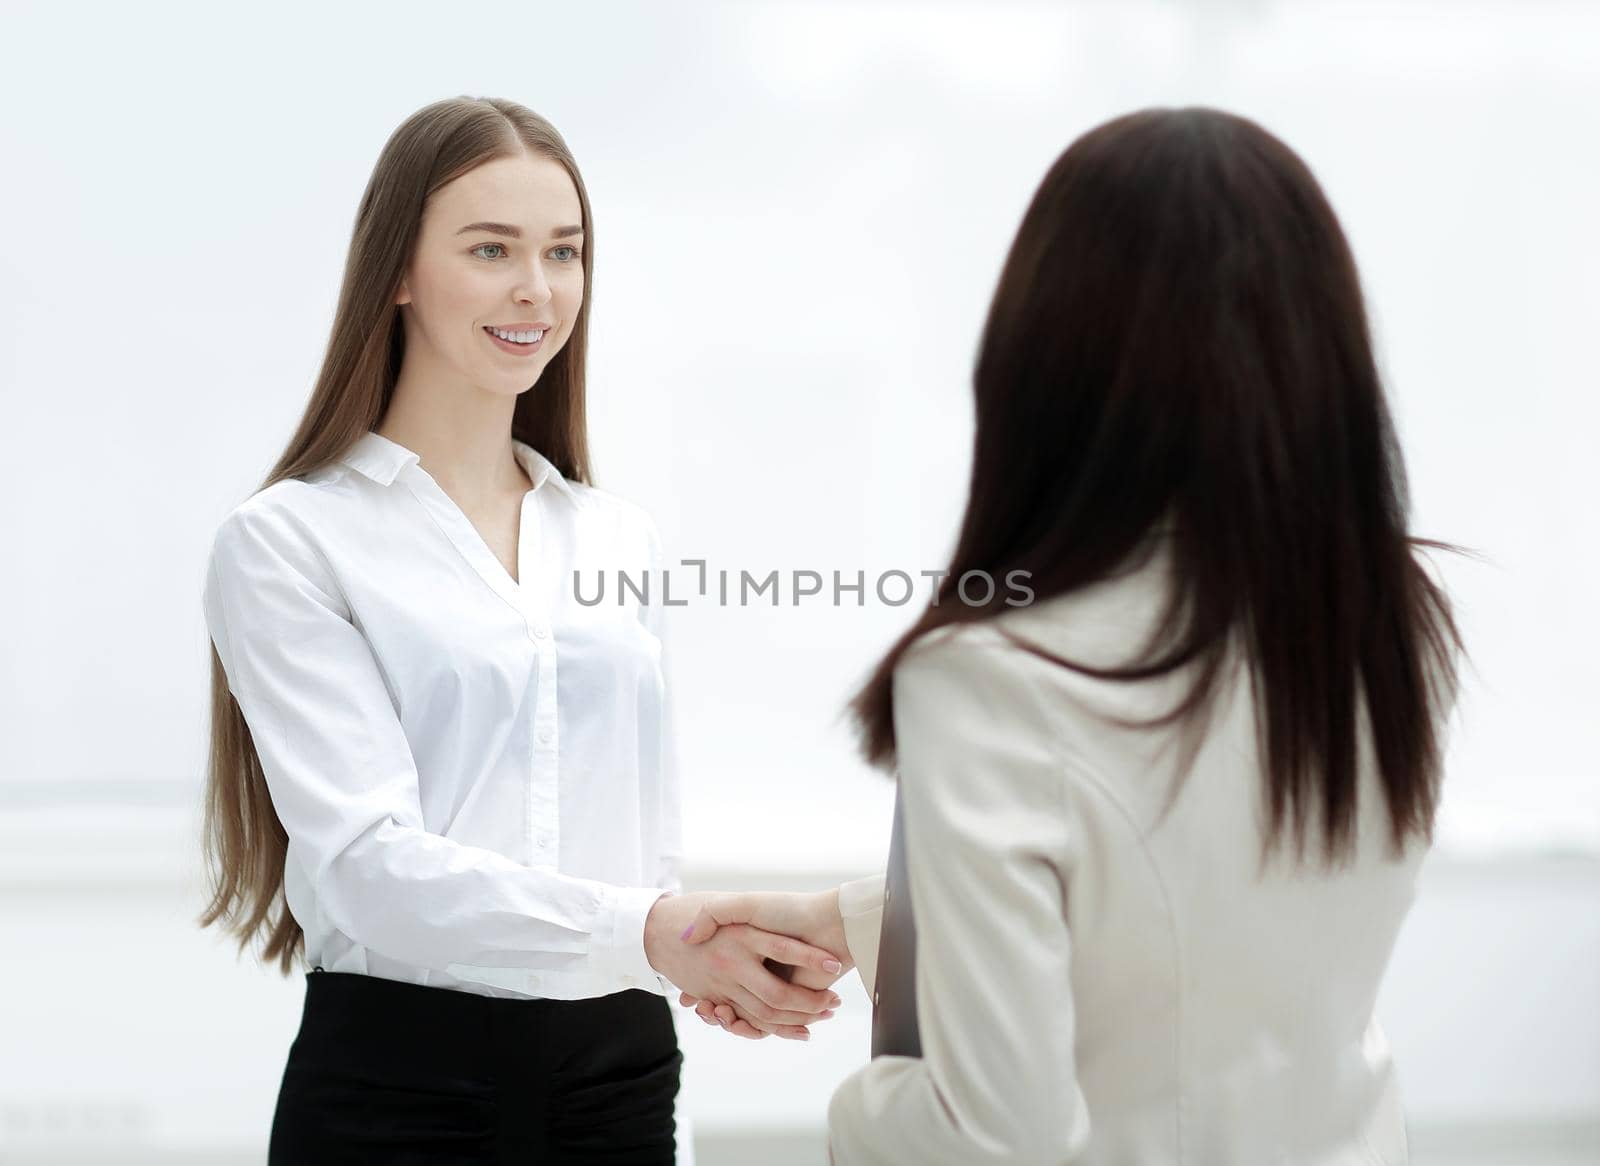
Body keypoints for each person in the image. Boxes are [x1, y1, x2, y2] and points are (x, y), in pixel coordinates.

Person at [676, 106, 1470, 1165]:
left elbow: (997, 1141)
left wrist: (857, 1109)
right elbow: (1216, 941)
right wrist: (884, 922)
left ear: (1040, 353)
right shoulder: (1387, 615)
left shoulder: (992, 674)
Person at [196, 95, 844, 1166]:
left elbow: (643, 841)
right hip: (399, 1086)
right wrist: (647, 933)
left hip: (619, 1073)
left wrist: (687, 951)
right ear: (397, 270)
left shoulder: (616, 537)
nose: (536, 290)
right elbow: (366, 866)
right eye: (490, 248)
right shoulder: (289, 541)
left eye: (564, 251)